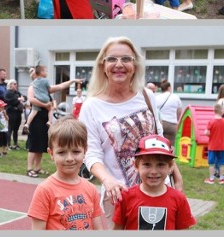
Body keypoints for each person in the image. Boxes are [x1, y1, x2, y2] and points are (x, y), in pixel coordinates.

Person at [78, 37, 183, 228]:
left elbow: (160, 140)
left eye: (126, 59)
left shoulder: (147, 96)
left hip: (157, 189)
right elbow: (91, 153)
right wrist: (107, 180)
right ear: (103, 65)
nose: (119, 65)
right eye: (112, 59)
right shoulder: (91, 106)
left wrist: (176, 176)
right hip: (119, 194)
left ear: (134, 65)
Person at [28, 117, 104, 230]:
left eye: (76, 151)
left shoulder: (91, 189)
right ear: (51, 153)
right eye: (62, 152)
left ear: (85, 151)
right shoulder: (45, 190)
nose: (69, 158)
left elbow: (98, 228)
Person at [112, 135, 195, 230]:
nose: (154, 171)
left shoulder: (179, 199)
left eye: (160, 165)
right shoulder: (126, 197)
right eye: (147, 164)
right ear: (136, 165)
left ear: (170, 166)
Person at [23, 65, 79, 132]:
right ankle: (28, 125)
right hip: (37, 120)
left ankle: (48, 122)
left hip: (45, 120)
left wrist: (73, 81)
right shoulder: (32, 87)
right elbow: (31, 100)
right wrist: (45, 105)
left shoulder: (44, 88)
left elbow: (60, 86)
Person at [204, 103, 224, 185]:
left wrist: (211, 134)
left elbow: (206, 132)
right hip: (222, 146)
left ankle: (211, 179)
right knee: (221, 163)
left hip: (212, 146)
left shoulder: (211, 121)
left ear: (214, 111)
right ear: (221, 111)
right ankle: (221, 179)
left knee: (211, 163)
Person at [4, 80, 25, 150]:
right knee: (10, 128)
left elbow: (24, 98)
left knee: (16, 129)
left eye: (16, 84)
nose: (16, 85)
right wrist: (19, 99)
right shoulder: (8, 93)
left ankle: (15, 144)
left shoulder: (17, 92)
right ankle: (8, 144)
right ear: (10, 85)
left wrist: (20, 99)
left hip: (18, 112)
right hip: (11, 112)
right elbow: (13, 101)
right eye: (14, 84)